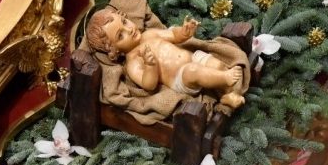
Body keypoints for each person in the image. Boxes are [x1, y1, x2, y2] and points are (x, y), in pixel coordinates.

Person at [86, 8, 245, 108]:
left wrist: (184, 32)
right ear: (114, 50)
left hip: (192, 57)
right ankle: (225, 78)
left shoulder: (149, 34)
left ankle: (229, 95)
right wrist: (150, 65)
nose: (129, 30)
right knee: (193, 71)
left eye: (125, 22)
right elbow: (149, 85)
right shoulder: (133, 62)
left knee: (216, 65)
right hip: (180, 77)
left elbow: (172, 35)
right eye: (120, 35)